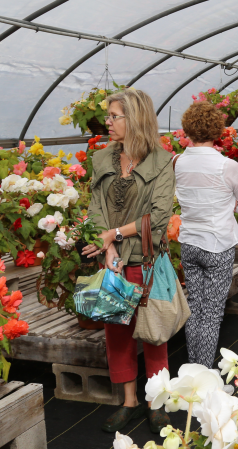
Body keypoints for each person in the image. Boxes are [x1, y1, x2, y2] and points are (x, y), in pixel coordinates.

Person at [82, 88, 175, 434]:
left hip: (145, 263)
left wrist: (114, 235)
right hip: (113, 264)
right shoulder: (103, 159)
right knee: (117, 333)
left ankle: (156, 402)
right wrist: (107, 249)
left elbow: (159, 218)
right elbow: (94, 209)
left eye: (114, 116)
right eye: (108, 116)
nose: (107, 122)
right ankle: (129, 402)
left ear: (134, 119)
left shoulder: (161, 161)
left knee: (153, 335)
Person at [175, 101, 238, 367]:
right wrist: (222, 204)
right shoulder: (227, 166)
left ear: (187, 129)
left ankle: (192, 368)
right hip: (218, 244)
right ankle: (204, 372)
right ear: (218, 130)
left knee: (194, 309)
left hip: (189, 242)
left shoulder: (178, 163)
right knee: (211, 314)